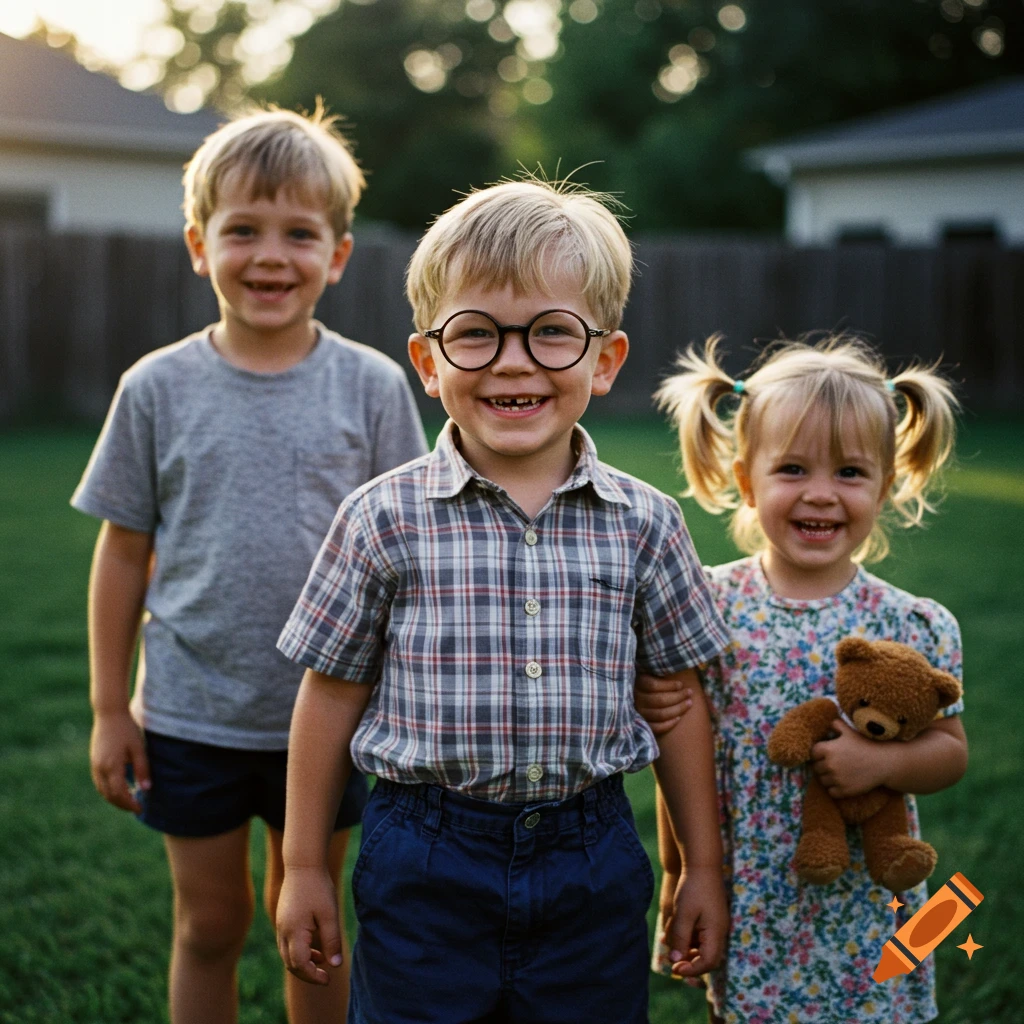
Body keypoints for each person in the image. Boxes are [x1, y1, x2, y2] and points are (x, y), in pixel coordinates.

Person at [274, 177, 731, 1023]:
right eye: (476, 334)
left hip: (590, 857)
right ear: (428, 360)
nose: (513, 361)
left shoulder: (647, 524)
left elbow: (677, 706)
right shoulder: (380, 520)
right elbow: (329, 694)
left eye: (552, 333)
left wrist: (697, 865)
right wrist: (305, 867)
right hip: (423, 859)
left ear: (604, 359)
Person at [71, 106, 428, 1024]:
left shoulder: (374, 385)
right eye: (243, 230)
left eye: (300, 234)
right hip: (192, 713)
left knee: (310, 926)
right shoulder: (155, 388)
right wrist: (113, 709)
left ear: (338, 255)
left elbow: (410, 556)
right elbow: (122, 551)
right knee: (211, 922)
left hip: (333, 714)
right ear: (200, 244)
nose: (271, 255)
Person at [641, 336, 967, 1023]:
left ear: (887, 483)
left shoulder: (913, 623)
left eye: (851, 472)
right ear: (746, 477)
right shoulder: (707, 606)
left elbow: (951, 752)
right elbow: (683, 757)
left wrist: (885, 761)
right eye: (792, 468)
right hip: (753, 891)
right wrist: (680, 872)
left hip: (868, 905)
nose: (821, 493)